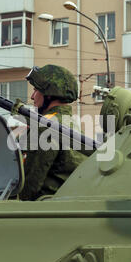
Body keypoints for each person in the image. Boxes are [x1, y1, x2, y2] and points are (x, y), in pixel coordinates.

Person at [19, 65, 87, 201]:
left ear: (50, 94)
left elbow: (30, 184)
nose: (32, 97)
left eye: (36, 90)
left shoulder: (45, 127)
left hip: (44, 208)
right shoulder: (72, 123)